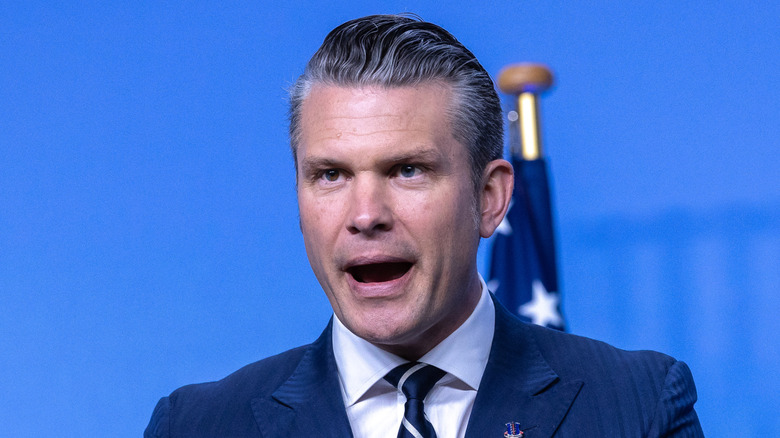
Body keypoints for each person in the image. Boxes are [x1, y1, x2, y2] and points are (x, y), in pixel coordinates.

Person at [145, 14, 703, 437]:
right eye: (331, 175)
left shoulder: (638, 407)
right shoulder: (196, 425)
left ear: (489, 198)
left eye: (407, 170)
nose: (366, 215)